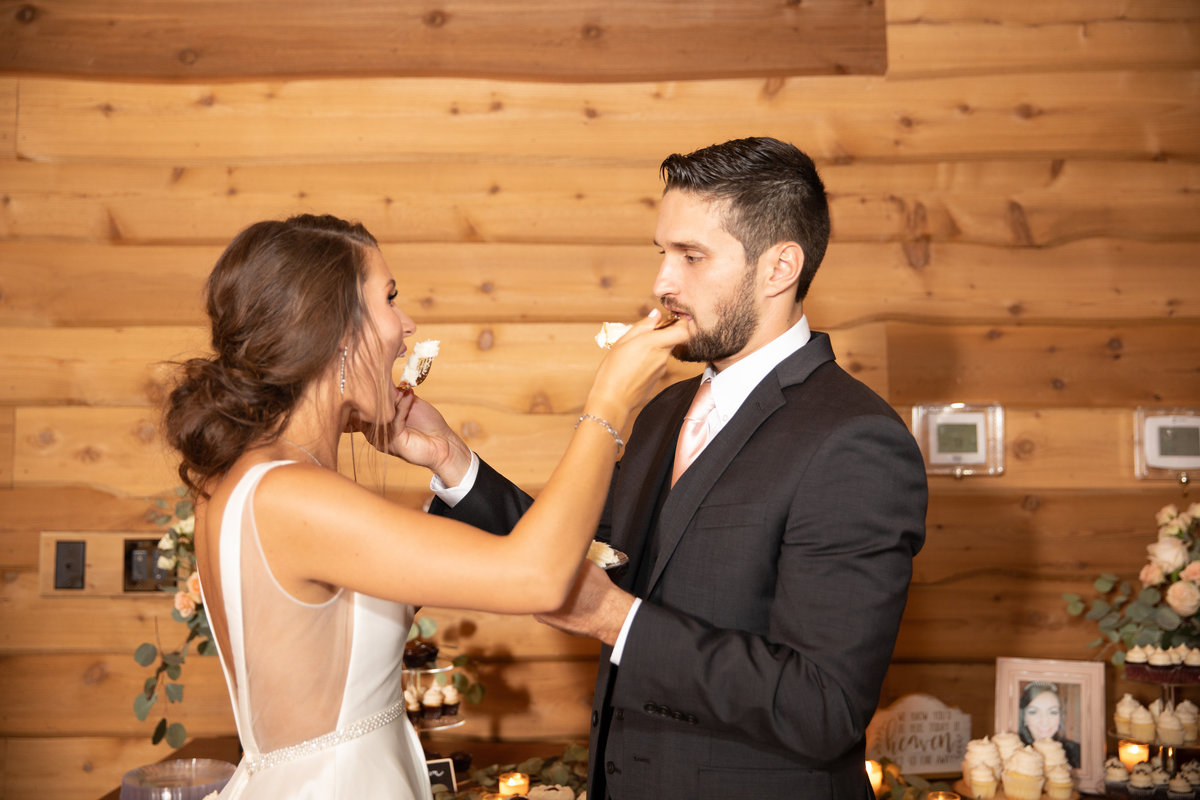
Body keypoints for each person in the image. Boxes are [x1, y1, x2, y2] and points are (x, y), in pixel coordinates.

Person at [418, 137, 928, 799]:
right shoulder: (663, 410)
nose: (662, 283)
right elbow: (574, 557)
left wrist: (617, 622)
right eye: (662, 253)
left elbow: (821, 706)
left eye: (691, 256)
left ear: (779, 267)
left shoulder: (855, 439)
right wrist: (450, 461)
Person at [163, 213, 687, 799]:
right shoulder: (291, 494)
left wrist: (444, 457)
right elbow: (535, 576)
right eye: (388, 299)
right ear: (334, 326)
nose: (406, 326)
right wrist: (609, 403)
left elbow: (374, 616)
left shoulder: (256, 480)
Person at [1018, 682, 1082, 768]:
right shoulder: (1014, 753)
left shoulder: (1076, 752)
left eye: (1053, 712)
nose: (1044, 722)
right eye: (1033, 712)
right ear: (1024, 717)